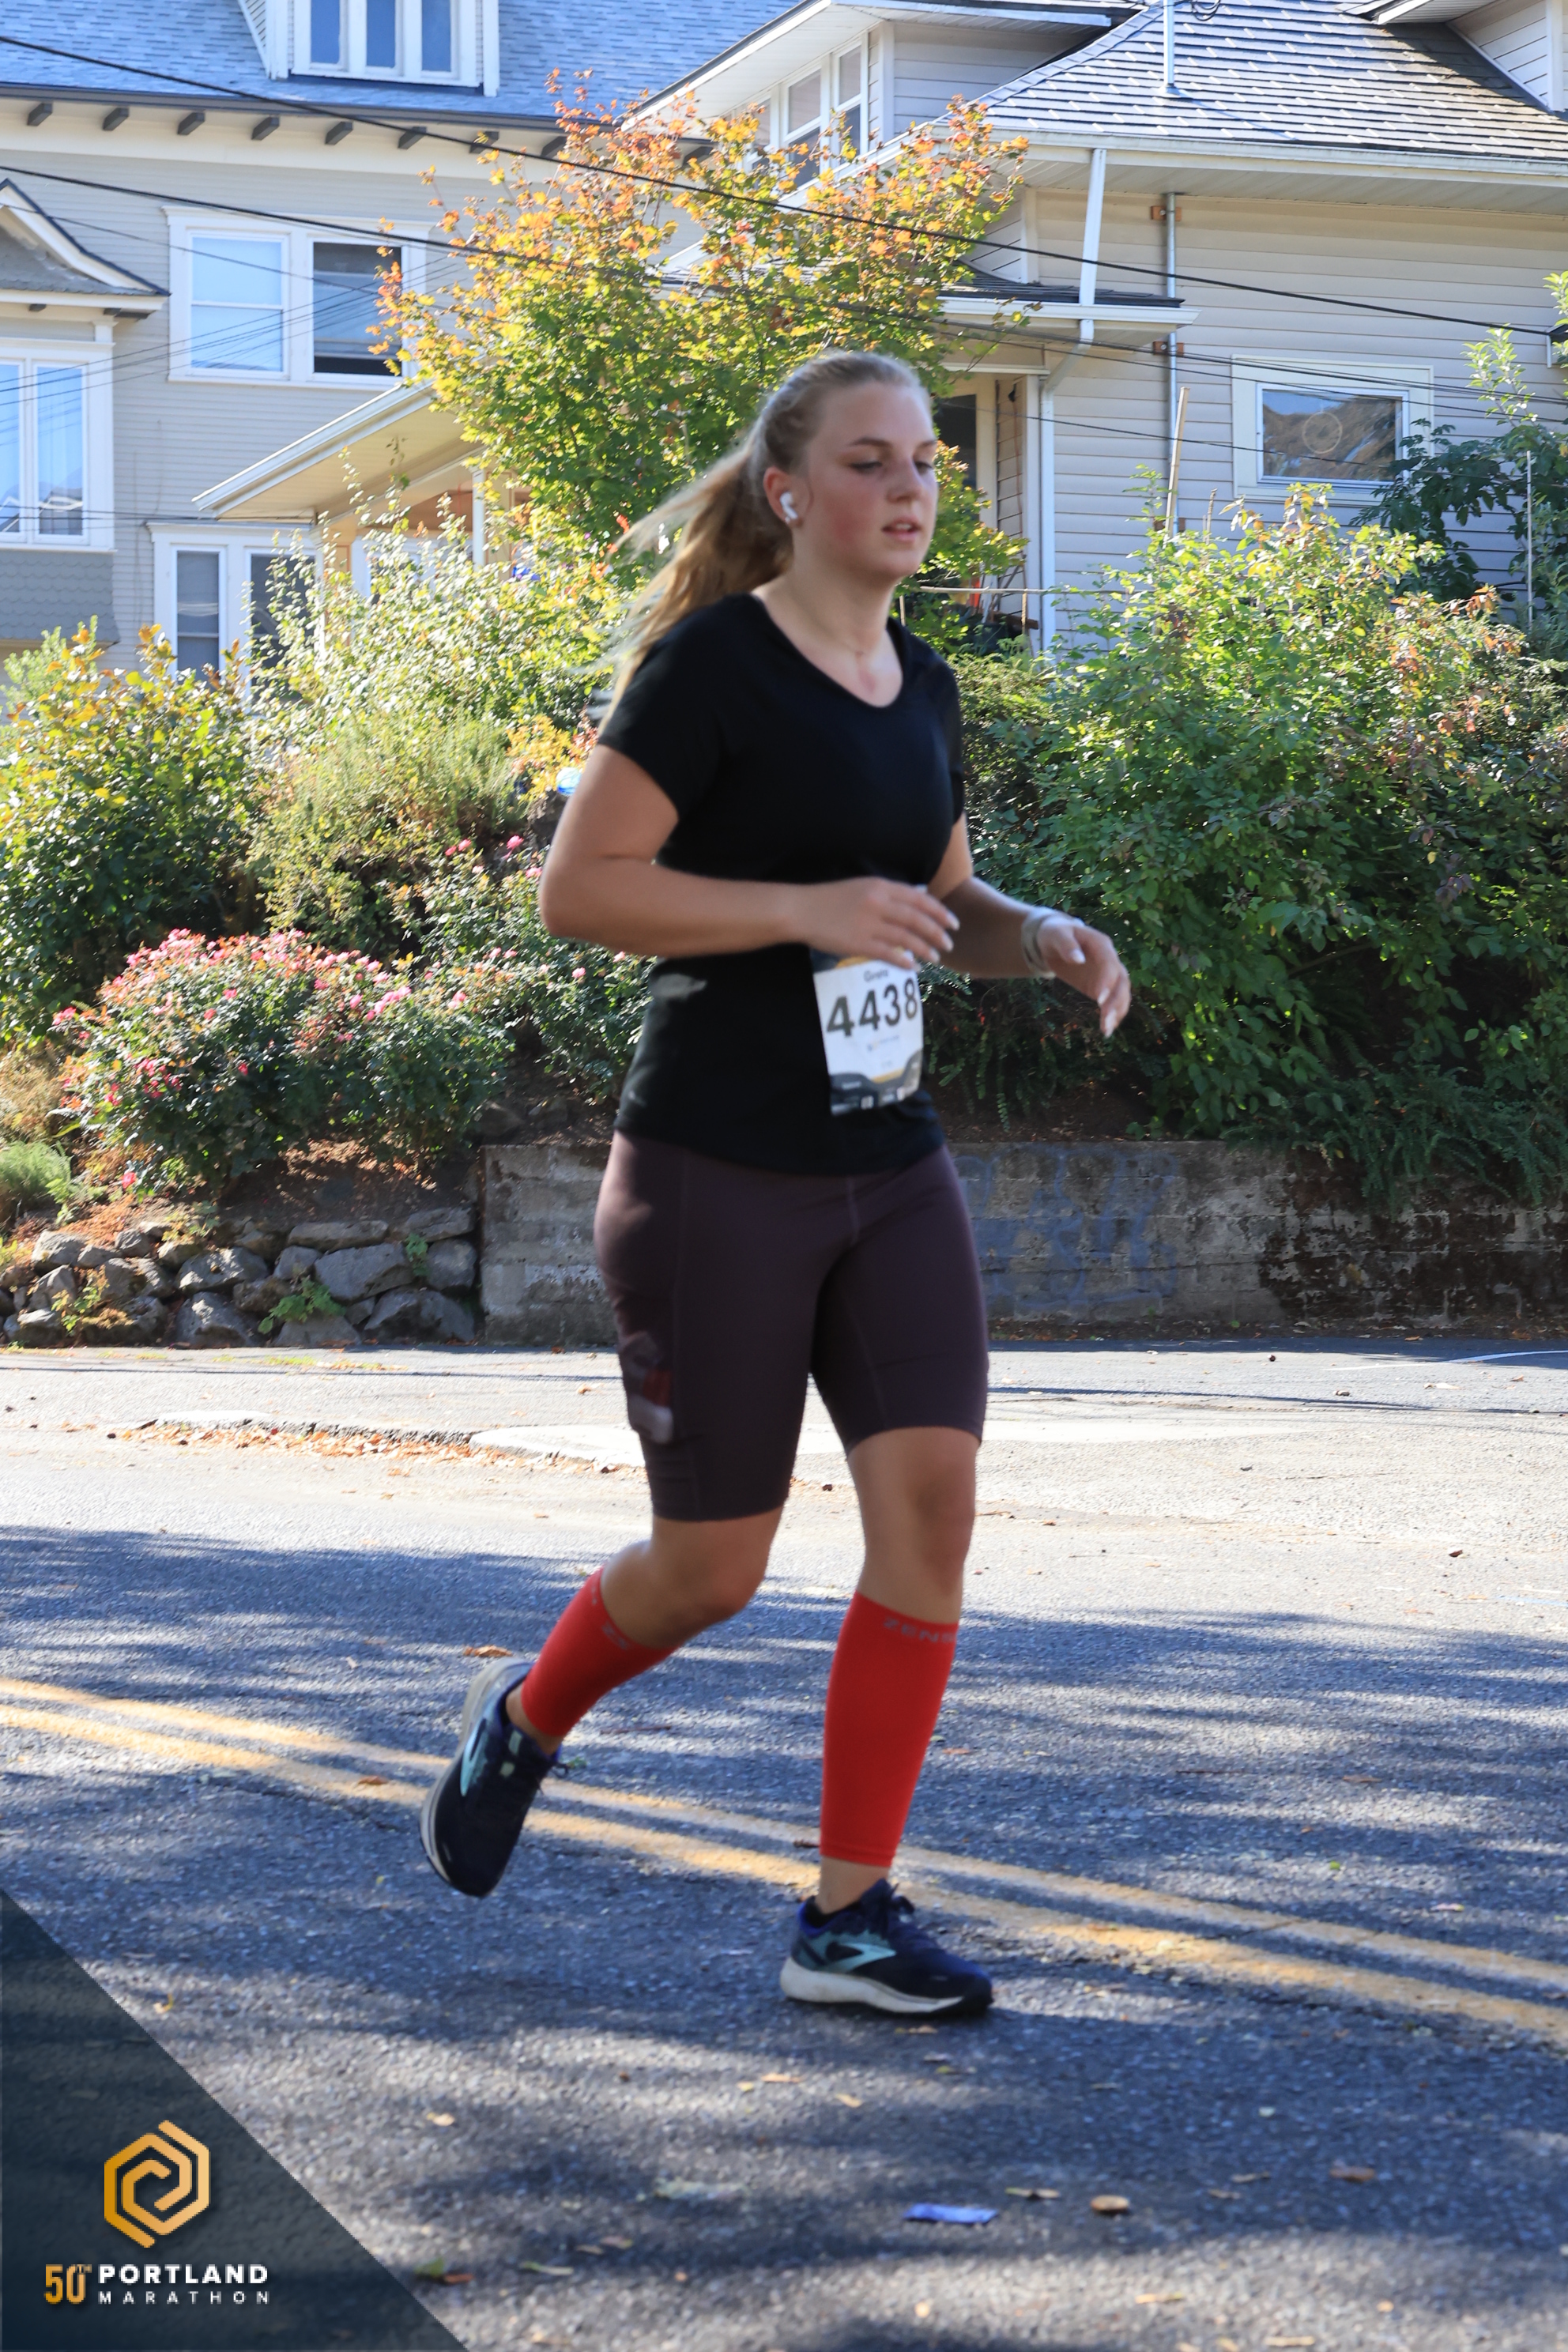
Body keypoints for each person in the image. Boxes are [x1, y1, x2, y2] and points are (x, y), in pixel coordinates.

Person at [421, 349, 1131, 2017]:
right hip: (713, 1170)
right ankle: (523, 1718)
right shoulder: (713, 669)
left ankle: (847, 1917)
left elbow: (934, 904)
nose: (909, 489)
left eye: (926, 463)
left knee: (931, 1512)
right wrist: (801, 910)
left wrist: (1034, 936)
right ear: (789, 492)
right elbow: (582, 891)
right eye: (871, 462)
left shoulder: (926, 684)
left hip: (887, 1159)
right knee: (713, 1568)